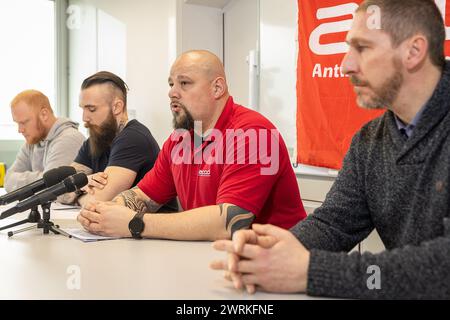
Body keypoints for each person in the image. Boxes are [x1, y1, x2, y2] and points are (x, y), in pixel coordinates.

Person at [211, 0, 450, 299]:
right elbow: (334, 222)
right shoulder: (369, 141)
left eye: (362, 48)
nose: (345, 64)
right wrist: (273, 252)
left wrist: (313, 271)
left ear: (413, 51)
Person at [77, 50, 307, 241]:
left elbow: (228, 223)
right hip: (210, 259)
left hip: (273, 270)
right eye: (171, 84)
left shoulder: (255, 133)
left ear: (217, 88)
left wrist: (134, 223)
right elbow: (144, 196)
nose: (172, 92)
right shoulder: (181, 140)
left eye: (184, 83)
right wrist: (103, 213)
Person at [60, 71, 169, 209]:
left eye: (91, 109)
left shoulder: (133, 138)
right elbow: (58, 190)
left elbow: (97, 201)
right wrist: (83, 185)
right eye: (83, 109)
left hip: (150, 229)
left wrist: (76, 190)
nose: (84, 118)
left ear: (117, 107)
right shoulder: (95, 139)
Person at [4, 90, 84, 192]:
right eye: (17, 123)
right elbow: (8, 180)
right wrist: (42, 176)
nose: (20, 130)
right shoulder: (32, 141)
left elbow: (52, 187)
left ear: (44, 114)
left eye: (24, 122)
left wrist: (38, 179)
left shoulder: (69, 139)